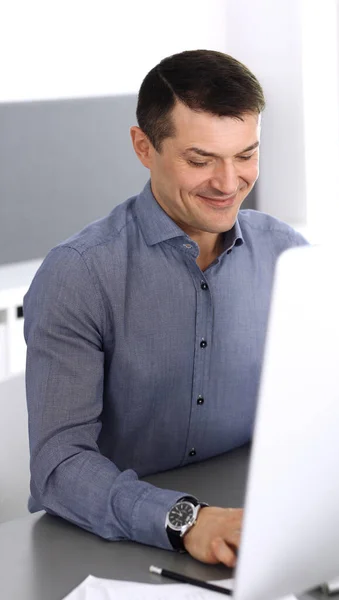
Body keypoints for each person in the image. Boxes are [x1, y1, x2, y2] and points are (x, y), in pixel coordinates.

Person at [24, 49, 307, 568]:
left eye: (245, 155)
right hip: (104, 545)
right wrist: (186, 519)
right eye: (200, 160)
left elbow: (322, 404)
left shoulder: (288, 255)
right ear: (143, 146)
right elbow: (58, 466)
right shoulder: (79, 275)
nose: (228, 183)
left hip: (252, 527)